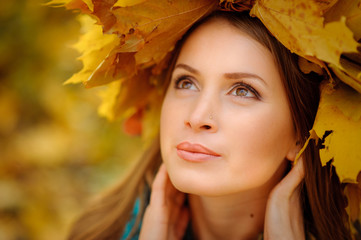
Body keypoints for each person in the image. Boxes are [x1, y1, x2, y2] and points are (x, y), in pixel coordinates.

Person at [67, 11, 351, 240]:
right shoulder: (97, 233)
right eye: (186, 82)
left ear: (302, 134)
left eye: (242, 90)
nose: (198, 116)